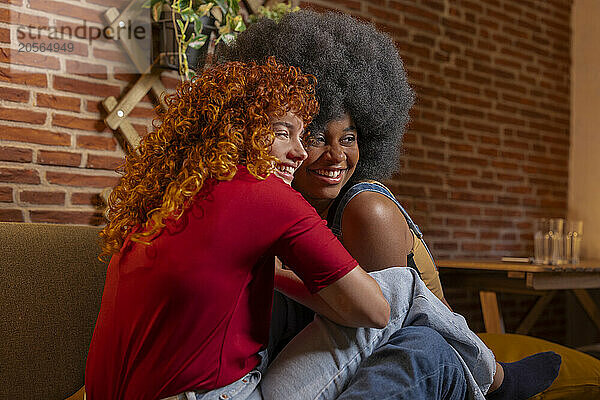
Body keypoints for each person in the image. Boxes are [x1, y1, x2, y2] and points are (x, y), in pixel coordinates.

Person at [224, 9, 561, 400]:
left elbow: (382, 335)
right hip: (300, 372)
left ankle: (495, 379)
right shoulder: (278, 205)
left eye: (348, 138)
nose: (336, 155)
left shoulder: (366, 210)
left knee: (421, 343)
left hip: (406, 356)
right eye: (317, 137)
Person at [85, 59, 392, 399]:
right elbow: (376, 311)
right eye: (281, 132)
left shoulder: (167, 198)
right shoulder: (265, 192)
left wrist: (271, 274)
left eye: (301, 135)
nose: (299, 152)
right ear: (235, 129)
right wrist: (278, 275)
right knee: (402, 288)